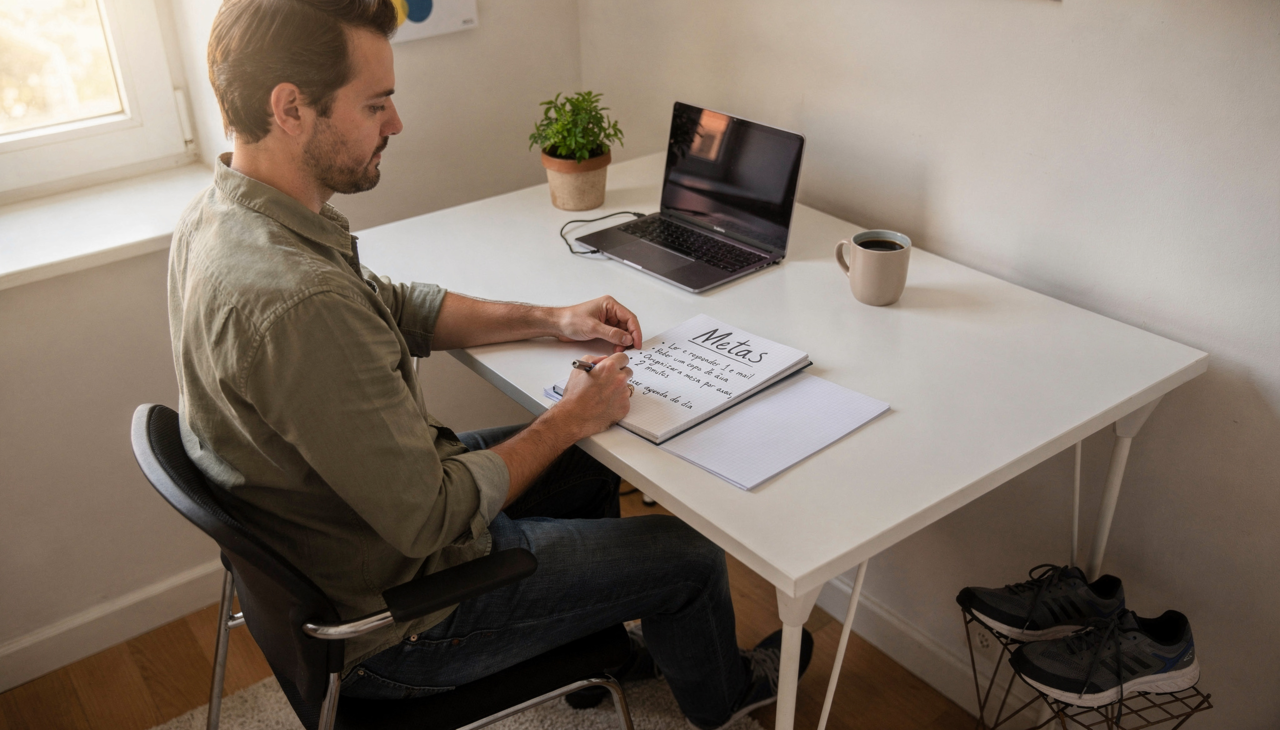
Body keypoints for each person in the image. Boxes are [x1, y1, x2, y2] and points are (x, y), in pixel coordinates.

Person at [170, 0, 812, 726]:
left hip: (345, 542)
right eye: (375, 104)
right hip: (400, 625)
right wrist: (567, 419)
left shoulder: (222, 218)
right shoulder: (299, 302)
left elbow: (392, 305)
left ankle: (595, 644)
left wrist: (554, 320)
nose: (396, 122)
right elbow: (431, 517)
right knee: (689, 553)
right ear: (290, 109)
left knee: (594, 463)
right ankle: (727, 698)